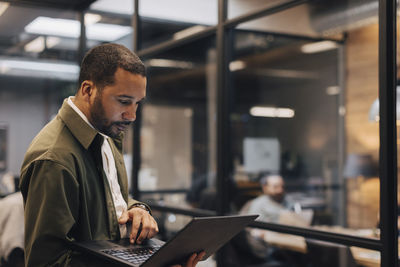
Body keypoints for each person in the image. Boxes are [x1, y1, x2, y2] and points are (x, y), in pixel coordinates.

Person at [19, 43, 204, 267]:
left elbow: (110, 200)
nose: (132, 115)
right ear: (88, 90)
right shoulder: (55, 159)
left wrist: (137, 209)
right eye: (124, 101)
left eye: (137, 103)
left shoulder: (105, 133)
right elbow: (48, 263)